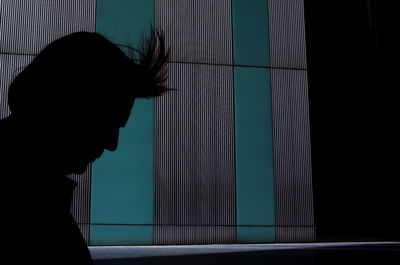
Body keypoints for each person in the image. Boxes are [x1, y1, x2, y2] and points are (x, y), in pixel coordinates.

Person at [0, 28, 170, 264]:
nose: (112, 144)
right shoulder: (42, 219)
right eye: (105, 123)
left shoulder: (39, 205)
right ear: (66, 104)